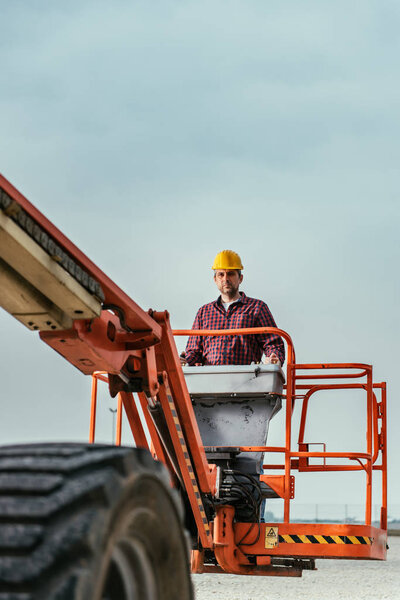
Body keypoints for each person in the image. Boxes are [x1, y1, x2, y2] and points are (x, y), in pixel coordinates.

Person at [183, 249, 285, 367]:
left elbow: (273, 344)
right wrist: (185, 361)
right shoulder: (204, 313)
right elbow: (194, 351)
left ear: (240, 278)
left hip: (248, 380)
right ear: (215, 279)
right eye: (221, 274)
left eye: (230, 274)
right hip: (210, 380)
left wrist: (274, 357)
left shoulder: (257, 308)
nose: (225, 279)